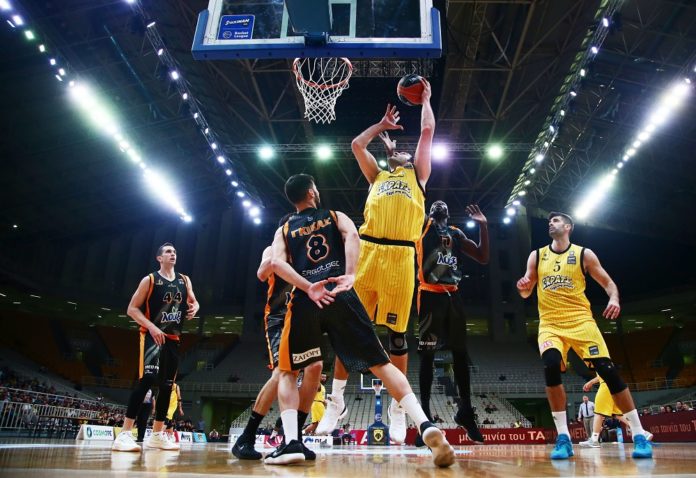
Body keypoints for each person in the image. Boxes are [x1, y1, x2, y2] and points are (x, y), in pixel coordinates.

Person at [264, 174, 454, 467]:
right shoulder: (334, 216)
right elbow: (353, 236)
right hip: (340, 292)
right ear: (312, 192)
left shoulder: (284, 229)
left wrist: (308, 287)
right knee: (382, 364)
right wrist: (351, 274)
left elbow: (276, 263)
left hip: (305, 302)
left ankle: (291, 443)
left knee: (288, 373)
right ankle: (424, 424)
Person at [320, 82, 435, 444]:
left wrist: (426, 100)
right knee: (349, 327)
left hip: (401, 257)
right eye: (395, 150)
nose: (400, 151)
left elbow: (428, 131)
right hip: (369, 253)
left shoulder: (418, 176)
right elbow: (357, 144)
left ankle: (398, 408)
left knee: (396, 336)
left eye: (404, 151)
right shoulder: (377, 176)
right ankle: (336, 400)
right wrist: (381, 126)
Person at [516, 212, 652, 460]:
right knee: (550, 365)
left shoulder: (583, 254)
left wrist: (614, 299)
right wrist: (524, 288)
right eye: (549, 221)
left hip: (581, 321)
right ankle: (563, 438)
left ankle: (639, 434)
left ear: (568, 227)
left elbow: (608, 283)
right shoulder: (536, 255)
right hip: (550, 323)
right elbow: (527, 291)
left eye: (556, 220)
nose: (551, 223)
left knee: (608, 371)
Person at [232, 233, 318, 461]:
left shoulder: (309, 250)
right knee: (282, 373)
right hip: (279, 318)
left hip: (303, 317)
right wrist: (278, 259)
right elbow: (262, 273)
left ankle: (295, 437)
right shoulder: (273, 250)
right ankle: (247, 437)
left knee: (315, 368)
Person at [112, 242, 199, 452]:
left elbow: (194, 301)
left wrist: (195, 306)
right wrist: (152, 327)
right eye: (168, 252)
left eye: (174, 252)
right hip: (152, 336)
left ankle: (158, 435)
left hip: (173, 338)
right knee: (147, 380)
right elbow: (132, 309)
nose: (173, 254)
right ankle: (124, 434)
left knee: (168, 386)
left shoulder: (184, 279)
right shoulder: (150, 280)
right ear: (159, 258)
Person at [416, 200, 488, 443]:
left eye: (442, 203)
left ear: (449, 213)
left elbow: (482, 256)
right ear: (429, 212)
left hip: (453, 295)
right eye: (433, 203)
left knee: (460, 353)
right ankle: (425, 418)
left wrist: (483, 226)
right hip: (429, 294)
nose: (438, 203)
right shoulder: (423, 227)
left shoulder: (456, 233)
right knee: (427, 355)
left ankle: (466, 411)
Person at [579, 375, 652, 448]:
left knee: (598, 412)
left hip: (605, 385)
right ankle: (642, 432)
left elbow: (602, 373)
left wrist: (590, 382)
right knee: (617, 415)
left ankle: (594, 440)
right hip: (612, 385)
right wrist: (591, 382)